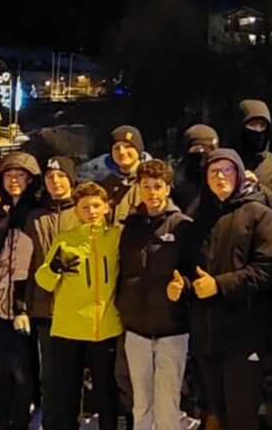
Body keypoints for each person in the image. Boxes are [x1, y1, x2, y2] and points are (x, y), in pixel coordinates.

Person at [183, 149, 272, 430]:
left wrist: (218, 285)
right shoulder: (198, 218)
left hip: (245, 335)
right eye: (213, 171)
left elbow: (266, 271)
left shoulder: (261, 215)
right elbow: (192, 270)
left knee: (242, 418)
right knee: (220, 414)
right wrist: (185, 286)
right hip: (207, 335)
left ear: (239, 175)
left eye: (227, 170)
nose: (220, 177)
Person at [36, 182, 125, 430]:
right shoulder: (66, 240)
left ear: (106, 207)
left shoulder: (115, 237)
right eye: (85, 207)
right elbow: (43, 281)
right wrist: (54, 268)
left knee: (106, 392)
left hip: (105, 327)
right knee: (67, 393)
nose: (91, 212)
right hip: (69, 328)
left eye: (96, 206)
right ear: (76, 211)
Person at [117, 159, 195, 430]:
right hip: (136, 328)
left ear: (168, 189)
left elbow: (195, 271)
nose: (152, 192)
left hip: (172, 328)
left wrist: (183, 286)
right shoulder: (130, 226)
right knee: (141, 401)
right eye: (146, 186)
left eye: (158, 186)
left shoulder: (183, 226)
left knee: (168, 401)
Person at [0, 152, 41, 430]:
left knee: (22, 371)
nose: (14, 180)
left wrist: (21, 305)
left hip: (23, 305)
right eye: (8, 175)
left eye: (20, 175)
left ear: (30, 179)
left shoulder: (35, 214)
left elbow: (26, 263)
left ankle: (20, 421)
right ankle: (0, 421)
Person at [27, 155, 82, 392]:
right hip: (44, 306)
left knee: (74, 372)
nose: (56, 181)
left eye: (61, 176)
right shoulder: (35, 217)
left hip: (78, 307)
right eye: (50, 177)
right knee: (49, 373)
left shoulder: (82, 212)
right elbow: (29, 263)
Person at [103, 125, 148, 223]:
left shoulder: (151, 181)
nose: (122, 152)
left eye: (128, 146)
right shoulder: (106, 185)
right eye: (116, 148)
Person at [172, 125, 218, 215]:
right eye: (196, 149)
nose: (201, 153)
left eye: (206, 149)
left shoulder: (225, 182)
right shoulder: (178, 184)